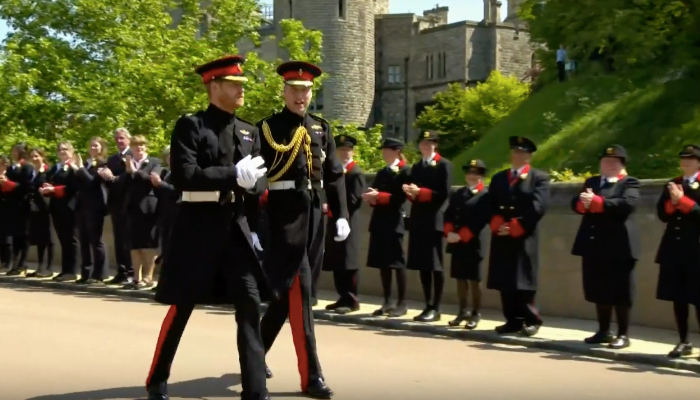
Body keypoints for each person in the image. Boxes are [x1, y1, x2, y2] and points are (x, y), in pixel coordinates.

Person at [145, 55, 269, 400]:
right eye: (234, 84)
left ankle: (256, 389)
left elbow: (259, 184)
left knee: (249, 303)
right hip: (198, 229)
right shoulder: (191, 125)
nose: (241, 89)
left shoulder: (249, 131)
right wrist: (234, 175)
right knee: (182, 306)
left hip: (237, 230)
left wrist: (250, 185)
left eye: (242, 84)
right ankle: (157, 378)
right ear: (214, 87)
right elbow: (185, 175)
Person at [257, 60, 349, 399]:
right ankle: (312, 376)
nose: (301, 96)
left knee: (285, 296)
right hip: (283, 219)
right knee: (302, 293)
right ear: (284, 91)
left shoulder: (321, 127)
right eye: (295, 90)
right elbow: (254, 178)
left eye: (306, 91)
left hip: (314, 218)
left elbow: (335, 174)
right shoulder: (268, 128)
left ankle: (253, 353)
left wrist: (341, 214)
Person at [571, 145, 639, 349]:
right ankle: (603, 331)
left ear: (621, 165)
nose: (609, 164)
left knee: (620, 291)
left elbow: (627, 204)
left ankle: (623, 334)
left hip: (619, 246)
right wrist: (583, 202)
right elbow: (576, 202)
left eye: (614, 161)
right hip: (594, 244)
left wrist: (598, 202)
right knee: (598, 289)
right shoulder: (592, 182)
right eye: (605, 161)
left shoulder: (629, 182)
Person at [487, 136, 549, 337]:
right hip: (502, 235)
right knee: (505, 278)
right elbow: (489, 204)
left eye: (522, 152)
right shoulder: (499, 178)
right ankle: (512, 320)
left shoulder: (539, 178)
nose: (518, 155)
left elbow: (538, 206)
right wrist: (498, 224)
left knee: (524, 279)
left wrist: (515, 226)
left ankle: (531, 319)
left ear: (529, 157)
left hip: (524, 235)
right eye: (515, 152)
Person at [402, 130, 452, 322]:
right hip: (419, 219)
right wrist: (410, 192)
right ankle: (427, 304)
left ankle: (436, 307)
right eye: (423, 143)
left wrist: (420, 192)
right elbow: (412, 191)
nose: (426, 146)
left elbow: (443, 193)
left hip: (434, 219)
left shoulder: (444, 165)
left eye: (430, 143)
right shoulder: (417, 166)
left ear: (435, 145)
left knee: (435, 264)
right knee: (423, 264)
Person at [655, 145, 700, 357]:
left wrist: (682, 202)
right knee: (678, 297)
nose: (686, 162)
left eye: (691, 159)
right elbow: (662, 214)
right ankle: (684, 341)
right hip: (675, 248)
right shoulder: (673, 183)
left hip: (697, 249)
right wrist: (672, 204)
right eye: (683, 159)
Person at [362, 138, 411, 317]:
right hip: (380, 221)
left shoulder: (405, 171)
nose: (384, 153)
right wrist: (371, 196)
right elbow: (375, 190)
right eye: (384, 150)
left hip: (394, 221)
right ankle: (388, 300)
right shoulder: (383, 172)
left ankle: (402, 302)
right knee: (383, 263)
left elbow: (400, 198)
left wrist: (379, 196)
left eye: (388, 150)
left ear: (397, 151)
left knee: (397, 262)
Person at [444, 160, 490, 329]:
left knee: (474, 281)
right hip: (457, 241)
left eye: (476, 173)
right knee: (460, 279)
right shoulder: (459, 193)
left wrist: (461, 236)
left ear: (481, 176)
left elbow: (480, 220)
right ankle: (462, 311)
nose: (472, 176)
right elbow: (448, 214)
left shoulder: (485, 195)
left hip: (473, 242)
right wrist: (449, 233)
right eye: (469, 172)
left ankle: (476, 313)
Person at [323, 134, 366, 314]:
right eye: (341, 150)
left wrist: (336, 210)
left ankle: (352, 299)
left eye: (347, 150)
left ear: (352, 151)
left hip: (349, 221)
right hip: (334, 220)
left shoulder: (355, 172)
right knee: (337, 260)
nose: (344, 153)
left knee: (348, 261)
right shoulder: (335, 171)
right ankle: (342, 297)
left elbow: (355, 200)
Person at [122, 135, 162, 290]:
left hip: (149, 206)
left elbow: (151, 180)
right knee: (135, 244)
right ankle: (137, 279)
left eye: (142, 145)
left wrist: (134, 172)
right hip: (132, 207)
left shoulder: (154, 162)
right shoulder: (128, 162)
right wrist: (126, 172)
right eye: (135, 145)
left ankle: (149, 277)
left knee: (149, 244)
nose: (139, 148)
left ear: (146, 147)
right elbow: (122, 183)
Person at [40, 141, 80, 282]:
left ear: (71, 151)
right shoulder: (56, 168)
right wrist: (46, 187)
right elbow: (48, 181)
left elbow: (73, 187)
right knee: (63, 240)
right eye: (60, 150)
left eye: (66, 149)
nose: (63, 152)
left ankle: (71, 271)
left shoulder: (74, 167)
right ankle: (65, 270)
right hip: (57, 207)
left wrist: (54, 189)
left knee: (71, 239)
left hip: (70, 207)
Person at [98, 128, 134, 285]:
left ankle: (132, 272)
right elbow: (108, 181)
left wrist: (115, 178)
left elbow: (131, 175)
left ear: (128, 139)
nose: (119, 141)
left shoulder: (132, 155)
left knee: (129, 238)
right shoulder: (112, 159)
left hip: (130, 202)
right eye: (117, 139)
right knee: (118, 239)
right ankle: (122, 271)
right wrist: (104, 174)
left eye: (122, 138)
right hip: (115, 203)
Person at [75, 137, 109, 284]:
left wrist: (80, 169)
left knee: (96, 241)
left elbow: (92, 182)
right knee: (83, 240)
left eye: (96, 146)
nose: (93, 148)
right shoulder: (86, 163)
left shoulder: (103, 164)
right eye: (91, 146)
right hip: (82, 205)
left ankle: (99, 274)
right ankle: (85, 272)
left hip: (95, 206)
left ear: (101, 148)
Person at [1, 143, 34, 275]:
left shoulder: (26, 166)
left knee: (23, 235)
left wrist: (9, 184)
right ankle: (15, 264)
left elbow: (27, 186)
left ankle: (22, 263)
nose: (14, 152)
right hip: (11, 205)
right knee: (15, 236)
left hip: (22, 205)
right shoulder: (12, 167)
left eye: (16, 150)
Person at [25, 149, 54, 278]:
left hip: (46, 207)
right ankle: (40, 266)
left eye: (37, 156)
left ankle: (49, 267)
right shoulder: (31, 171)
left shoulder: (48, 171)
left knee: (48, 238)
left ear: (42, 157)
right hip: (34, 208)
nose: (34, 158)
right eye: (32, 156)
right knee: (38, 238)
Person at [152, 145, 178, 276]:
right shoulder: (165, 172)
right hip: (164, 213)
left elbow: (177, 191)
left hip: (176, 213)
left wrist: (161, 184)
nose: (170, 158)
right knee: (164, 246)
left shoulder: (181, 171)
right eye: (167, 156)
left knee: (172, 248)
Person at [0, 155, 11, 270]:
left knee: (6, 237)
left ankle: (7, 261)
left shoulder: (10, 175)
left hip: (8, 207)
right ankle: (2, 260)